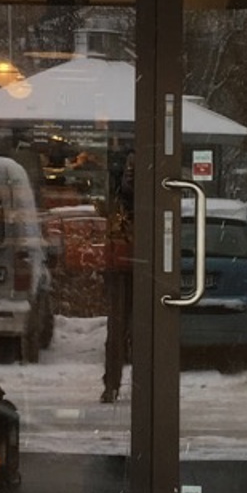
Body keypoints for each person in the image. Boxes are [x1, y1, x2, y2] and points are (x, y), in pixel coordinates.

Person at [102, 150, 134, 403]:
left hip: (135, 268)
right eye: (128, 167)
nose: (130, 173)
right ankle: (111, 384)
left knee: (130, 331)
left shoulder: (149, 198)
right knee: (117, 332)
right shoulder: (117, 198)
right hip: (120, 269)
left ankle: (121, 384)